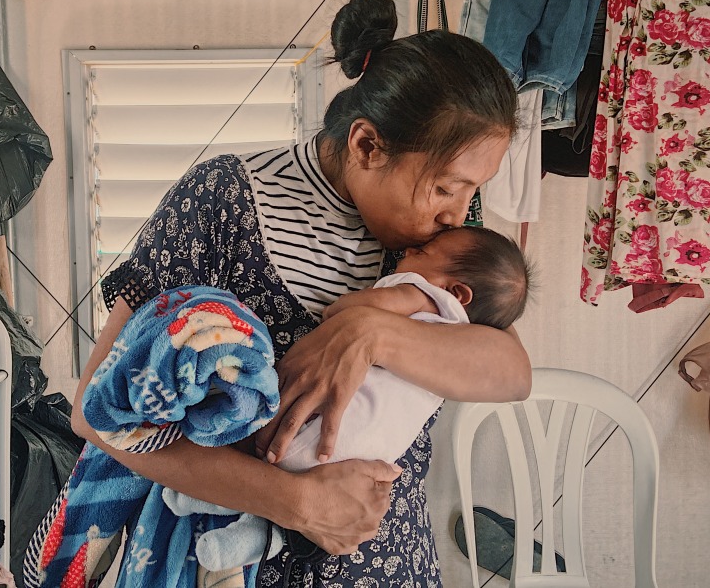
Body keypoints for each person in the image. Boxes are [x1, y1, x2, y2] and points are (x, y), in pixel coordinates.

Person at [44, 0, 532, 588]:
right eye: (446, 188)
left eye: (472, 190)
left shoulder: (441, 242)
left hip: (388, 563)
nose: (459, 212)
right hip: (227, 561)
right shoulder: (222, 201)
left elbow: (511, 372)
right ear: (366, 145)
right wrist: (297, 502)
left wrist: (371, 333)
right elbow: (97, 413)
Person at [162, 225, 533, 573]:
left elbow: (344, 312)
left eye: (423, 251)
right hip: (363, 467)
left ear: (457, 292)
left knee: (251, 430)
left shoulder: (422, 292)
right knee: (283, 503)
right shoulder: (467, 332)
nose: (409, 251)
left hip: (312, 438)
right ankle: (253, 534)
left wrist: (358, 323)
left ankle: (212, 501)